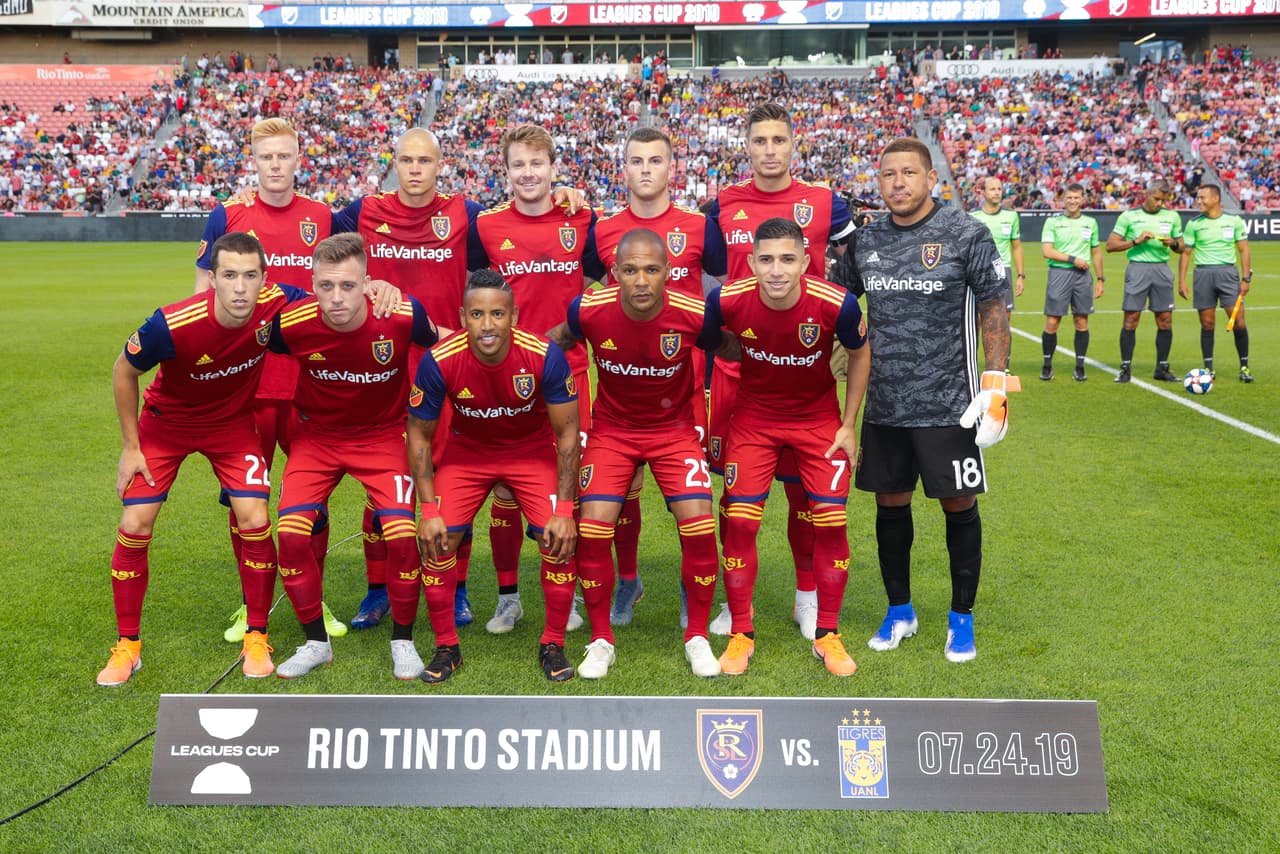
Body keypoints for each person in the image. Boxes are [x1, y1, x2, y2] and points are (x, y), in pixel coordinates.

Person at [98, 233, 302, 686]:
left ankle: (256, 635)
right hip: (166, 426)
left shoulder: (277, 303)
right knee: (135, 523)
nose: (240, 287)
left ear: (264, 279)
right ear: (212, 278)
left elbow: (331, 297)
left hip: (231, 426)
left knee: (255, 518)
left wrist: (375, 287)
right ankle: (128, 646)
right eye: (229, 275)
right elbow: (123, 370)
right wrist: (131, 447)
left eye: (250, 276)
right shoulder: (170, 324)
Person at [833, 137, 1009, 664]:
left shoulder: (966, 233)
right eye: (888, 174)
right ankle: (900, 611)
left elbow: (994, 306)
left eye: (909, 173)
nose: (898, 183)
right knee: (890, 505)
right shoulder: (866, 240)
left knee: (959, 505)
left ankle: (961, 619)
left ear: (932, 179)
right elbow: (835, 301)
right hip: (885, 405)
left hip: (950, 404)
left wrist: (995, 384)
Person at [706, 102, 856, 642]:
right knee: (735, 501)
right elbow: (705, 274)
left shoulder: (826, 202)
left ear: (794, 144)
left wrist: (840, 330)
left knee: (805, 497)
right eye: (759, 141)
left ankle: (806, 596)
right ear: (746, 146)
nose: (769, 150)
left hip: (804, 369)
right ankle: (734, 604)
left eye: (778, 140)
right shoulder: (722, 204)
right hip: (738, 373)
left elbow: (854, 265)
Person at [548, 228, 728, 678]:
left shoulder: (694, 313)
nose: (642, 280)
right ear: (614, 273)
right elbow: (556, 341)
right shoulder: (588, 309)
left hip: (674, 432)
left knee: (700, 526)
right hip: (613, 431)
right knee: (593, 530)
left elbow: (734, 349)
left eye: (651, 270)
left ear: (668, 272)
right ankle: (601, 640)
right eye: (630, 270)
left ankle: (698, 636)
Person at [701, 218, 870, 677]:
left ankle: (828, 634)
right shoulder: (726, 300)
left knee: (831, 524)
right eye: (767, 260)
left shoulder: (838, 303)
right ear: (752, 262)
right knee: (739, 522)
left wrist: (848, 424)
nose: (777, 270)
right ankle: (741, 632)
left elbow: (860, 353)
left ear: (806, 262)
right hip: (754, 422)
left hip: (818, 423)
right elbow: (711, 342)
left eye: (788, 259)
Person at [195, 118, 342, 643]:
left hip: (308, 383)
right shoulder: (228, 215)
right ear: (253, 161)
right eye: (266, 157)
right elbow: (203, 296)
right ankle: (249, 603)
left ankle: (314, 600)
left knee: (312, 501)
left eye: (284, 156)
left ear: (298, 159)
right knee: (246, 503)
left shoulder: (323, 216)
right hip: (246, 386)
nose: (275, 165)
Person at [267, 234, 436, 680]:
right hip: (317, 439)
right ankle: (315, 643)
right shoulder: (291, 324)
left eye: (347, 285)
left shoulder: (402, 315)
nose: (337, 297)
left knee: (402, 537)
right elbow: (245, 344)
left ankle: (403, 640)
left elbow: (441, 348)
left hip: (383, 437)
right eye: (326, 286)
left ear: (367, 282)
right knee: (291, 535)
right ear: (312, 284)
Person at [408, 271, 581, 683]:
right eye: (477, 314)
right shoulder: (439, 359)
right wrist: (428, 510)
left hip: (530, 454)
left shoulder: (544, 355)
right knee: (437, 540)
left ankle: (553, 644)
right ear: (462, 317)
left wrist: (565, 509)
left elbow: (567, 434)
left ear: (514, 317)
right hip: (467, 456)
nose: (487, 325)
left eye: (498, 314)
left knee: (558, 538)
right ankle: (446, 648)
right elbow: (418, 435)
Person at [467, 124, 604, 635]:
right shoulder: (485, 226)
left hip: (569, 373)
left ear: (552, 168)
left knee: (570, 486)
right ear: (505, 171)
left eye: (537, 164)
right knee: (505, 490)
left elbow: (598, 282)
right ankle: (508, 599)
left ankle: (569, 592)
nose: (528, 173)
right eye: (519, 165)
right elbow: (474, 292)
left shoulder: (582, 218)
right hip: (505, 377)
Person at [588, 127, 727, 627]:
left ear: (672, 168)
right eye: (636, 161)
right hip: (623, 386)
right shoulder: (602, 230)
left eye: (655, 160)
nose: (646, 169)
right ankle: (628, 580)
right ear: (623, 169)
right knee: (621, 489)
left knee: (688, 501)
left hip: (682, 388)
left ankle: (694, 589)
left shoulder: (700, 226)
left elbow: (728, 292)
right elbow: (586, 296)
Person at [1106, 180, 1184, 383]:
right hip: (1138, 269)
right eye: (1156, 199)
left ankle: (1162, 368)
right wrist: (1136, 241)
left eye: (1163, 201)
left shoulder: (1172, 216)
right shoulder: (1129, 216)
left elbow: (1182, 246)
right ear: (1146, 194)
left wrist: (1173, 243)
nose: (1160, 204)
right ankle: (1125, 369)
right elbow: (1110, 245)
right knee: (1131, 319)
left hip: (1162, 270)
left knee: (1165, 320)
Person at [1178, 184, 1253, 382]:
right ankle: (1208, 369)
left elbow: (1244, 250)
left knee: (1238, 321)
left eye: (1202, 198)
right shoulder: (1194, 224)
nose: (1199, 201)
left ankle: (1244, 367)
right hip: (1203, 274)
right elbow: (1186, 253)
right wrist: (1182, 281)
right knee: (1207, 323)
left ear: (1216, 199)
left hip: (1228, 274)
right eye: (1198, 198)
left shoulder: (1233, 221)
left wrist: (1245, 278)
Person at [1039, 183, 1105, 381]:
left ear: (1082, 199)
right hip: (1059, 273)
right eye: (1069, 198)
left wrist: (1100, 279)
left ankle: (1079, 366)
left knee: (1081, 321)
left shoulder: (1090, 223)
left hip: (1082, 277)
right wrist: (1072, 259)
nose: (1073, 201)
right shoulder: (1053, 222)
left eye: (1076, 198)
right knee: (1052, 322)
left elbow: (1096, 252)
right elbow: (1047, 251)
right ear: (1063, 200)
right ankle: (1047, 365)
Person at [969, 176, 1025, 314]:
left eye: (999, 189)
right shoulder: (973, 217)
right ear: (983, 192)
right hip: (980, 270)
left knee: (1005, 317)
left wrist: (1020, 276)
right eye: (992, 189)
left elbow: (1017, 247)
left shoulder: (1011, 216)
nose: (996, 192)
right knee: (980, 317)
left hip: (1002, 269)